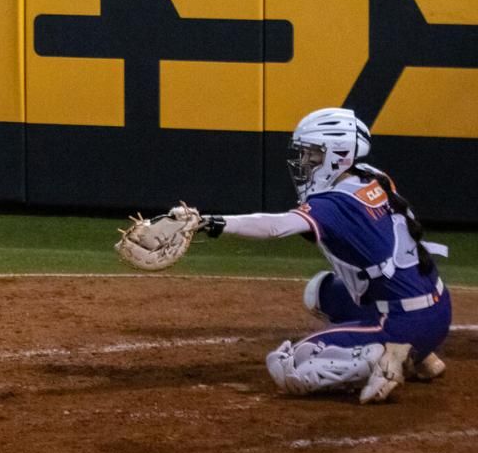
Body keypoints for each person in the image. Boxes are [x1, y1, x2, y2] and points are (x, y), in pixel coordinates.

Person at [193, 107, 451, 404]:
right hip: (437, 306)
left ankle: (391, 355)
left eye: (313, 154)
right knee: (319, 293)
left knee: (289, 367)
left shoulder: (335, 203)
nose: (304, 162)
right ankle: (423, 356)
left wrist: (212, 222)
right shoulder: (373, 176)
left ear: (338, 155)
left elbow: (275, 227)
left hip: (405, 323)